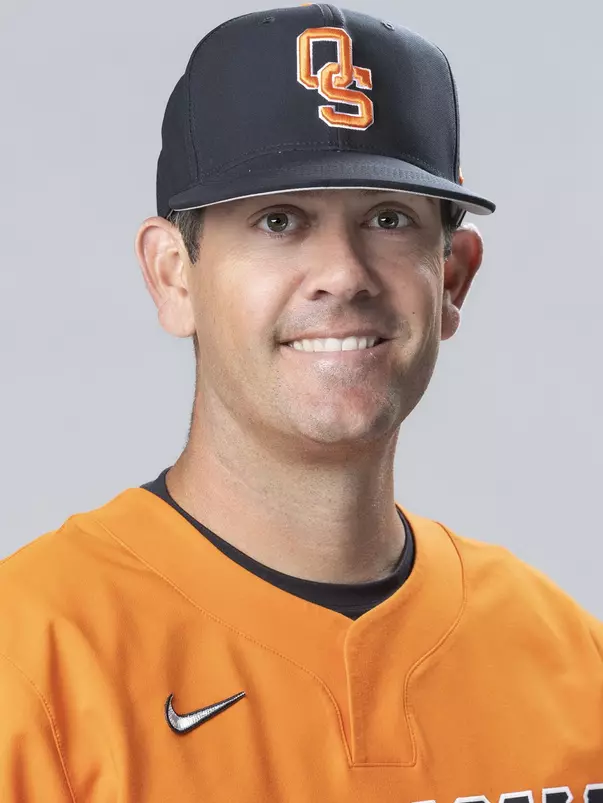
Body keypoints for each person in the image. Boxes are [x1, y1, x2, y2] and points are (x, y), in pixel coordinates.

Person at [1, 4, 601, 801]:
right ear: (173, 275)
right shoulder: (29, 662)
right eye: (278, 220)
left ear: (451, 277)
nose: (343, 273)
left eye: (387, 219)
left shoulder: (571, 659)